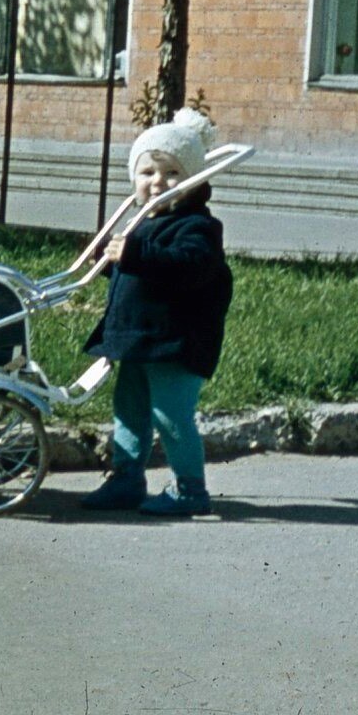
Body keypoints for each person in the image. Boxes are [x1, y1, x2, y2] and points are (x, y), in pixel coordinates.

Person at [80, 108, 233, 516]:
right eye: (147, 173)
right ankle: (126, 477)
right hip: (138, 338)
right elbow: (138, 275)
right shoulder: (143, 222)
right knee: (128, 411)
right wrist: (111, 260)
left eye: (171, 174)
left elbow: (185, 267)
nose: (157, 182)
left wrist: (135, 254)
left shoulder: (198, 227)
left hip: (175, 342)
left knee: (171, 416)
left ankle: (190, 489)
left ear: (193, 181)